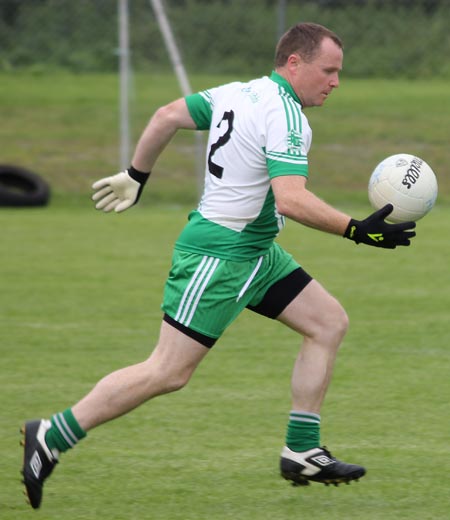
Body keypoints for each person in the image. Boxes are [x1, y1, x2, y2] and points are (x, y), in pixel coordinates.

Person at [21, 22, 416, 509]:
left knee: (327, 322)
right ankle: (51, 435)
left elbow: (167, 115)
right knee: (167, 371)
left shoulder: (238, 92)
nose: (335, 82)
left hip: (256, 252)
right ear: (295, 63)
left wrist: (136, 174)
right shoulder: (288, 116)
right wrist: (357, 229)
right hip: (220, 256)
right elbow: (290, 200)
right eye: (328, 71)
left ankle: (302, 450)